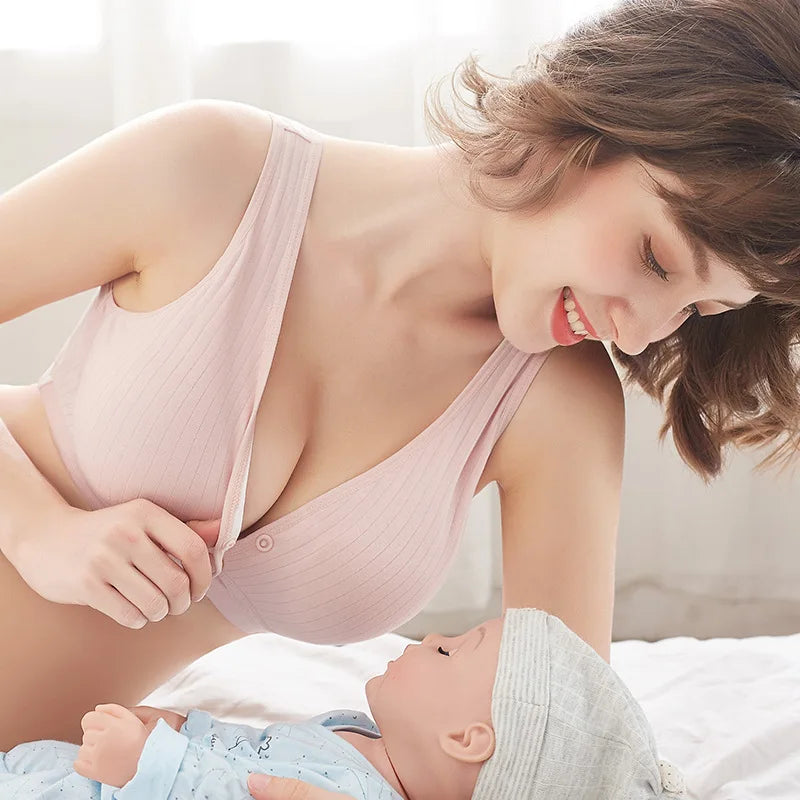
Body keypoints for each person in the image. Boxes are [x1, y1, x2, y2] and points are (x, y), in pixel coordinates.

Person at [0, 2, 798, 795]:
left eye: (698, 311)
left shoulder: (560, 409)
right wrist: (40, 530)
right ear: (589, 126)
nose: (638, 334)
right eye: (656, 260)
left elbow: (551, 759)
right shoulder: (211, 169)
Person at [0, 609, 686, 799]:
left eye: (450, 652)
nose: (432, 637)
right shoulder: (357, 738)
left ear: (467, 738)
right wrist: (182, 725)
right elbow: (246, 751)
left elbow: (234, 792)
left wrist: (153, 764)